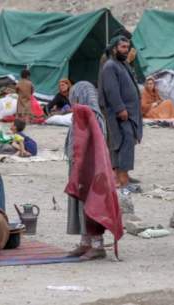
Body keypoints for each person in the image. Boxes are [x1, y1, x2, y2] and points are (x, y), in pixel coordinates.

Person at [65, 81, 123, 260]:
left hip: (90, 170)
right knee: (79, 206)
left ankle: (97, 245)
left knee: (91, 204)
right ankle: (85, 243)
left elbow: (94, 146)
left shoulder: (93, 117)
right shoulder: (80, 115)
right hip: (78, 168)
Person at [100, 36, 143, 190]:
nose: (126, 50)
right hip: (120, 113)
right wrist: (120, 109)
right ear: (114, 49)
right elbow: (111, 90)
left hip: (129, 112)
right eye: (123, 47)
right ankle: (121, 179)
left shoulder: (122, 64)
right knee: (123, 142)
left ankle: (124, 174)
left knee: (128, 142)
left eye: (127, 47)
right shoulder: (110, 66)